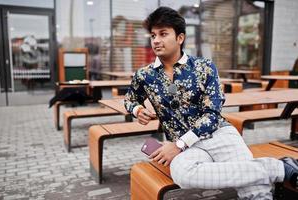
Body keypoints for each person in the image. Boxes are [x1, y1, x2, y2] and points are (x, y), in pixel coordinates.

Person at [124, 6, 298, 200]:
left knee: (256, 192)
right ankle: (280, 167)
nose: (156, 40)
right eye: (153, 35)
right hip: (186, 147)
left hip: (218, 135)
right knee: (183, 174)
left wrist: (180, 144)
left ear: (180, 38)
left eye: (163, 34)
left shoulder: (204, 67)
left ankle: (275, 173)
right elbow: (130, 99)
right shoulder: (144, 75)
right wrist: (137, 109)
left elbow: (212, 114)